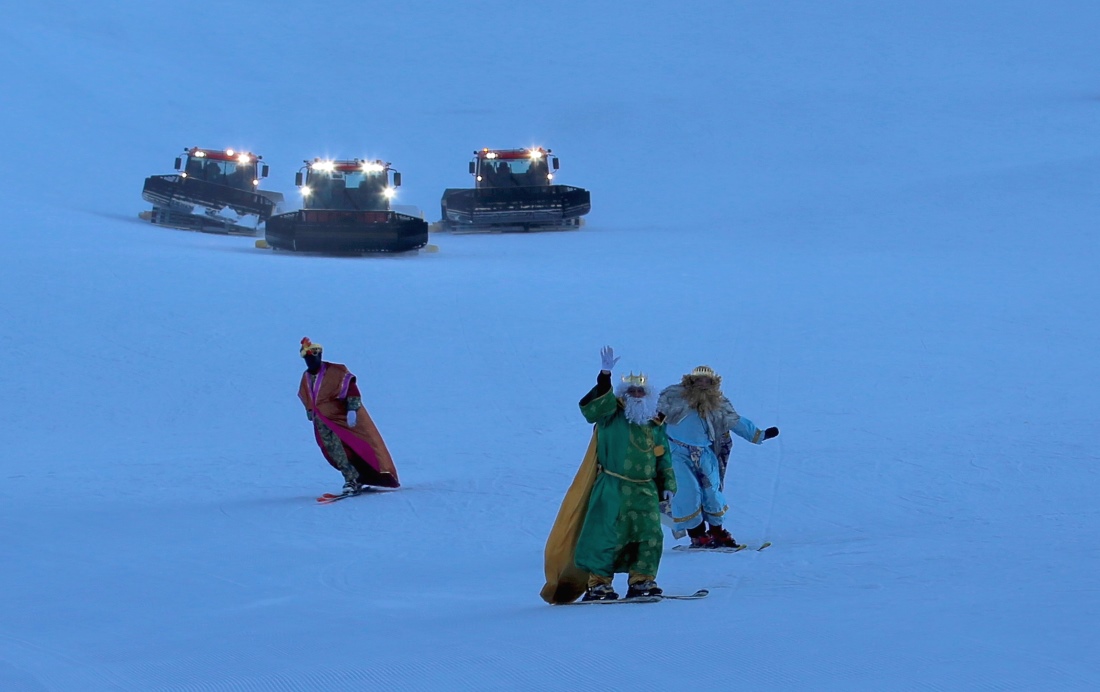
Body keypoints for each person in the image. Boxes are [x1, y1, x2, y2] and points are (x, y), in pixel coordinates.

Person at [566, 346, 677, 601]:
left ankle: (642, 580)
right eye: (631, 391)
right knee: (606, 535)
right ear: (623, 395)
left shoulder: (655, 423)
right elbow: (593, 408)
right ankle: (599, 584)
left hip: (645, 491)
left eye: (640, 391)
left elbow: (663, 456)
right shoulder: (611, 415)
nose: (636, 395)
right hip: (613, 488)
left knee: (649, 535)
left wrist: (668, 483)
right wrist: (604, 375)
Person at [657, 365, 778, 548]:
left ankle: (717, 531)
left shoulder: (718, 403)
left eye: (707, 381)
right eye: (699, 380)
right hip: (677, 453)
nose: (703, 384)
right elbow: (652, 416)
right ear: (691, 381)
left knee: (712, 492)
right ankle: (697, 535)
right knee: (688, 492)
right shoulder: (673, 397)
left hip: (705, 453)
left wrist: (758, 435)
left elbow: (735, 421)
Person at [297, 337, 400, 494]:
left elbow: (351, 390)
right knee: (332, 451)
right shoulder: (306, 377)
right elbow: (307, 396)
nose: (311, 361)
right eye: (308, 358)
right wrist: (310, 411)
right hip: (322, 421)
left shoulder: (336, 371)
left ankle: (353, 479)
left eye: (314, 357)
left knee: (349, 447)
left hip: (339, 419)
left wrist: (352, 409)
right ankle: (352, 477)